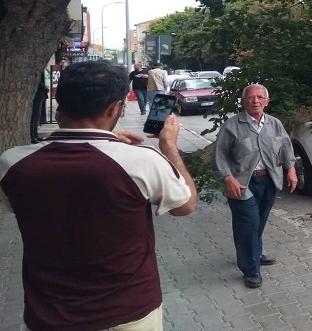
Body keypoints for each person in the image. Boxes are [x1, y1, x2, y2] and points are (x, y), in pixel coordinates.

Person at [0, 60, 198, 330]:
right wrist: (169, 147)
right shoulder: (142, 162)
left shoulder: (12, 163)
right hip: (128, 314)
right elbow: (185, 205)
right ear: (115, 108)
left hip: (47, 315)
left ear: (59, 100)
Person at [213, 83, 298, 288]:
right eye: (251, 97)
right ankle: (250, 270)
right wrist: (228, 178)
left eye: (260, 97)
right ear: (243, 102)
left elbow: (286, 146)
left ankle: (255, 254)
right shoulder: (232, 126)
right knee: (248, 224)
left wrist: (291, 169)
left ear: (267, 102)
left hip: (269, 179)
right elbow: (219, 154)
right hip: (242, 183)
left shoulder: (274, 124)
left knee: (259, 221)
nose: (255, 101)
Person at [29, 71, 48, 143]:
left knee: (37, 117)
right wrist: (44, 87)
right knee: (35, 117)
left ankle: (35, 135)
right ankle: (33, 136)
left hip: (40, 95)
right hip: (37, 95)